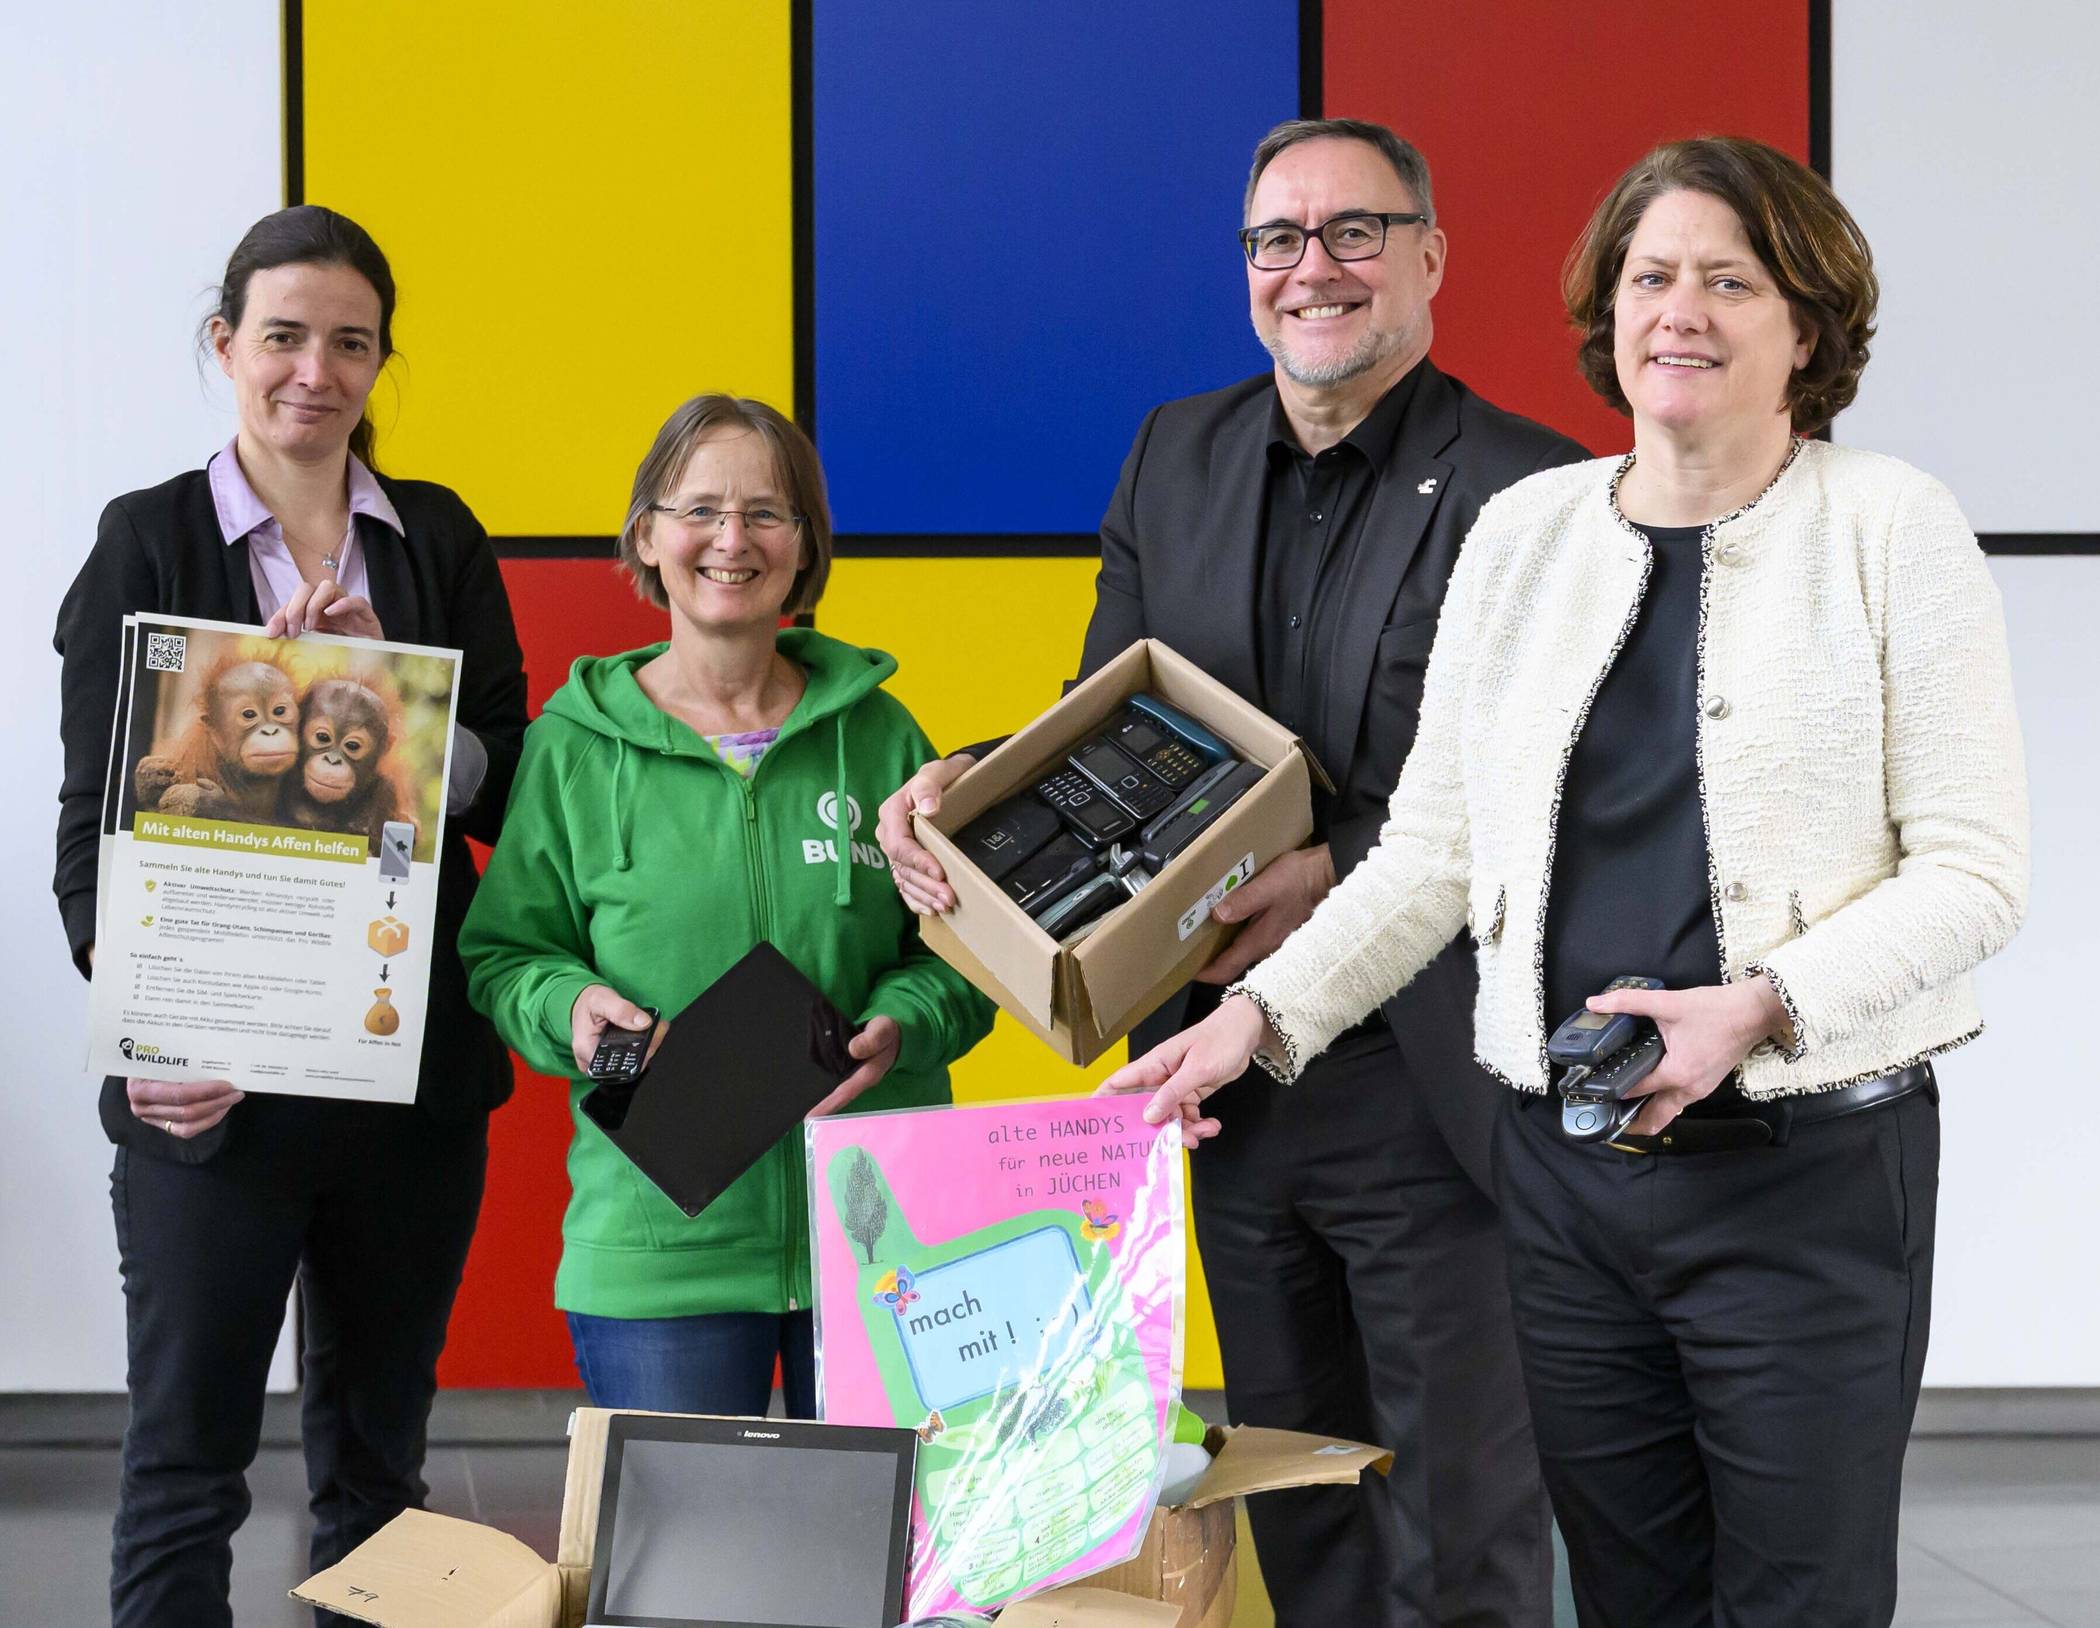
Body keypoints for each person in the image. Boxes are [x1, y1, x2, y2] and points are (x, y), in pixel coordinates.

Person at [1109, 135, 2028, 1628]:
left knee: (1802, 1597)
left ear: (1808, 324)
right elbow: (1433, 850)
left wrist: (1763, 1005)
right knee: (1625, 1593)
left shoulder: (1887, 527)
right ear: (1606, 310)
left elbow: (1974, 876)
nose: (1682, 309)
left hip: (1801, 1182)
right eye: (1651, 275)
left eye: (1732, 279)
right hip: (1565, 1172)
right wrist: (1256, 1019)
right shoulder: (1529, 532)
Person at [877, 118, 1584, 1627]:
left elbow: (1550, 799)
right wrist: (967, 790)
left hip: (1428, 1089)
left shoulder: (1535, 493)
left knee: (1461, 1531)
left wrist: (1330, 868)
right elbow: (1108, 740)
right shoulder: (1173, 452)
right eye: (1278, 239)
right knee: (1296, 1501)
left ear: (1431, 256)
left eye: (1354, 232)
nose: (1311, 269)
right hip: (1224, 1090)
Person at [52, 205, 530, 1628]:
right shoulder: (146, 542)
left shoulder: (433, 536)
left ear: (383, 361)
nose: (314, 370)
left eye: (350, 342)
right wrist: (149, 1037)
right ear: (225, 346)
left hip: (406, 1084)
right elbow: (96, 832)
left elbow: (505, 776)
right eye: (282, 336)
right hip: (216, 1093)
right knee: (186, 1464)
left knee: (380, 1478)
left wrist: (399, 713)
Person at [459, 393, 994, 1418]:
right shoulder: (574, 746)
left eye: (766, 512)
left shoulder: (882, 738)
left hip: (880, 1242)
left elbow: (967, 952)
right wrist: (567, 1007)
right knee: (686, 1582)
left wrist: (908, 1022)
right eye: (698, 507)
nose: (730, 538)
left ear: (804, 548)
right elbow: (506, 955)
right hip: (662, 1255)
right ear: (649, 535)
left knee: (884, 1570)